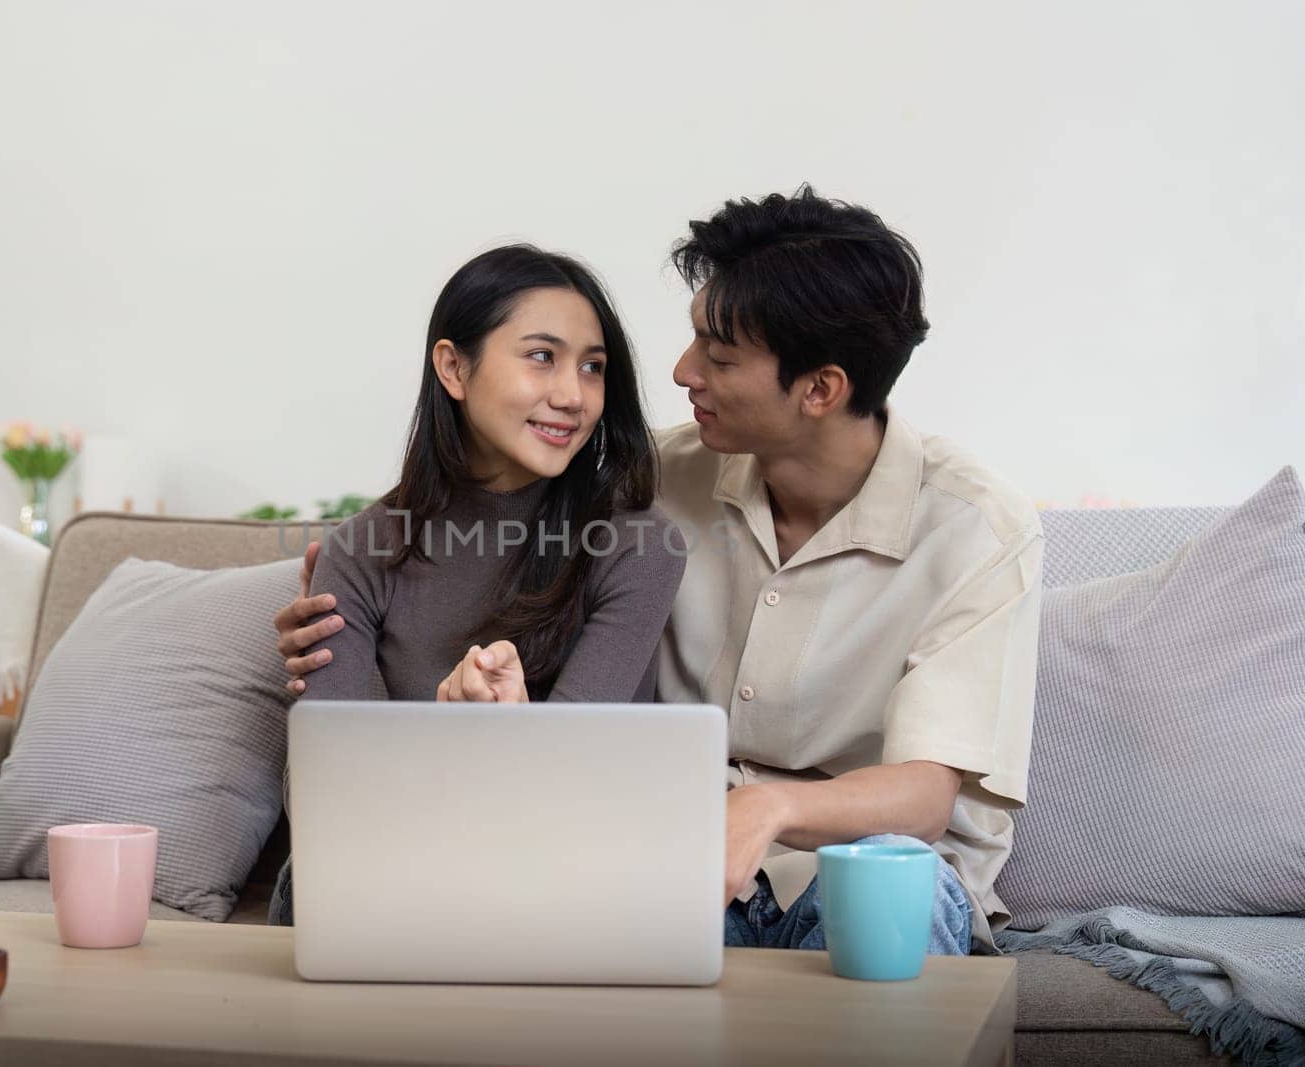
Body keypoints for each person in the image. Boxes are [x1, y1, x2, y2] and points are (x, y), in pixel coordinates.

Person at [277, 187, 1044, 957]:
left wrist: (766, 809)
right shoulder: (655, 476)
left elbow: (925, 794)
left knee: (891, 894)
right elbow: (483, 510)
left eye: (718, 357)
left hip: (863, 865)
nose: (681, 373)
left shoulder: (977, 529)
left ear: (819, 389)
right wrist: (337, 587)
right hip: (667, 857)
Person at [267, 243, 687, 925]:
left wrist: (501, 740)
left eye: (593, 366)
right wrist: (451, 743)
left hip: (562, 867)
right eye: (542, 356)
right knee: (317, 872)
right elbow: (327, 790)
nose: (572, 395)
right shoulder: (363, 548)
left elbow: (574, 787)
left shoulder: (637, 543)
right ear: (454, 367)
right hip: (386, 864)